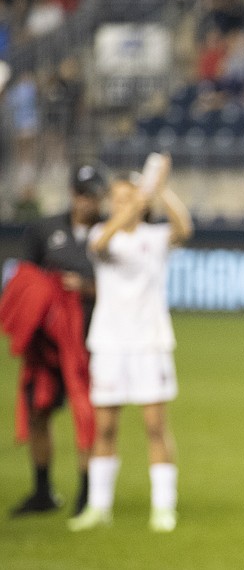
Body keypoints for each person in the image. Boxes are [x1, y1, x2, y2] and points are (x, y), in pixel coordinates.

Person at [68, 155, 193, 533]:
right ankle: (98, 506)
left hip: (149, 343)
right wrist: (134, 206)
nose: (125, 204)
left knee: (156, 427)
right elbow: (103, 243)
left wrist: (160, 190)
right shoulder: (99, 236)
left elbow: (183, 228)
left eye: (130, 198)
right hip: (108, 343)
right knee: (105, 429)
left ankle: (163, 507)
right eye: (118, 199)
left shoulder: (154, 239)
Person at [2, 165, 106, 517]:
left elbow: (126, 288)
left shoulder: (110, 233)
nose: (86, 201)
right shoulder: (44, 229)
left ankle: (87, 494)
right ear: (72, 193)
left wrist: (85, 288)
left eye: (92, 195)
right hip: (46, 348)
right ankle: (43, 490)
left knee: (88, 417)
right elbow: (22, 280)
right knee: (38, 413)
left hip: (91, 344)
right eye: (81, 193)